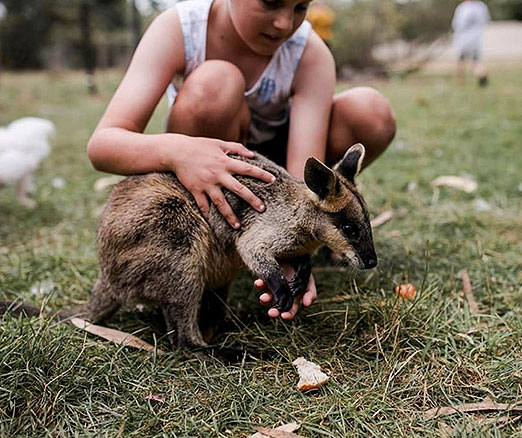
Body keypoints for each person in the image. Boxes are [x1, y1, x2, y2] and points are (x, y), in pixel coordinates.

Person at [86, 0, 396, 321]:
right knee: (215, 82)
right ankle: (205, 279)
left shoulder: (308, 51)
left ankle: (299, 245)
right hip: (203, 167)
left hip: (276, 186)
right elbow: (103, 145)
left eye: (300, 7)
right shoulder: (180, 28)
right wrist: (180, 151)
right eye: (271, 2)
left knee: (369, 109)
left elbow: (301, 183)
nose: (284, 23)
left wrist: (291, 247)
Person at [451, 0, 490, 86]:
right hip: (476, 38)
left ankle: (460, 83)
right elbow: (485, 21)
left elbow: (457, 24)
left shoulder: (462, 7)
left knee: (461, 60)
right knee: (475, 59)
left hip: (463, 38)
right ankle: (482, 74)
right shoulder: (481, 6)